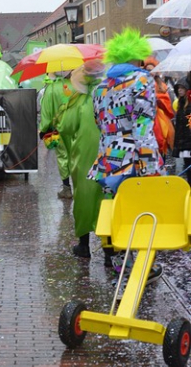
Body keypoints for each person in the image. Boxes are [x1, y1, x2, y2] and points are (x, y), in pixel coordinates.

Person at [88, 27, 164, 280]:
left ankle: (122, 261)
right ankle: (142, 266)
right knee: (144, 211)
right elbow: (143, 124)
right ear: (137, 58)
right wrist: (150, 164)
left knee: (120, 210)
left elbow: (100, 123)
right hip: (135, 157)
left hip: (109, 159)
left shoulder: (100, 87)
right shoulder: (142, 80)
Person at [40, 62, 105, 260]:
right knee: (107, 198)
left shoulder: (79, 98)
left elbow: (65, 125)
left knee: (84, 195)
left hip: (84, 151)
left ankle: (84, 245)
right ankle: (111, 250)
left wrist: (53, 123)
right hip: (110, 153)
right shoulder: (110, 93)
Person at [39, 74, 72, 199]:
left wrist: (43, 129)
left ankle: (67, 188)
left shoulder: (51, 89)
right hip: (78, 127)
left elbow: (46, 112)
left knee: (63, 156)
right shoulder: (77, 86)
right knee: (77, 156)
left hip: (59, 129)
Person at [172, 74, 191, 184]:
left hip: (188, 141)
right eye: (178, 88)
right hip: (184, 142)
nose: (179, 90)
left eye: (182, 88)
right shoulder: (181, 103)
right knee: (187, 166)